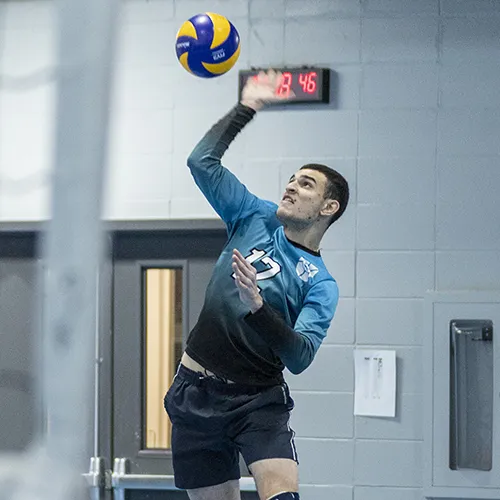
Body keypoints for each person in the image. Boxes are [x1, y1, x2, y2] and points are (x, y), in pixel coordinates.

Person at [164, 70, 349, 500]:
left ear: (328, 207)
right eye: (291, 178)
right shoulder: (254, 216)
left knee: (283, 495)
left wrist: (258, 307)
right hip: (195, 391)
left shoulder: (321, 284)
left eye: (306, 184)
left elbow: (300, 356)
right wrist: (247, 107)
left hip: (257, 401)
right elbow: (201, 162)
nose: (291, 186)